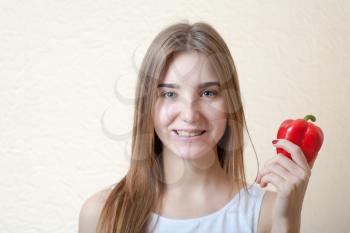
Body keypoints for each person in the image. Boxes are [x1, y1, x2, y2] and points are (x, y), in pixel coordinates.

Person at [79, 21, 313, 233]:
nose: (190, 114)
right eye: (169, 94)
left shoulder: (269, 213)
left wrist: (287, 220)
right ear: (147, 105)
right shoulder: (101, 214)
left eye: (208, 93)